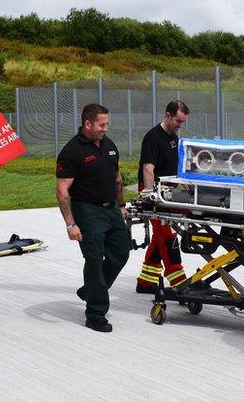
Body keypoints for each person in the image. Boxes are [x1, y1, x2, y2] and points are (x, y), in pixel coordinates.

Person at [56, 103, 131, 333]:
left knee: (121, 252)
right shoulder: (72, 151)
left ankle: (90, 290)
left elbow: (117, 178)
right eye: (102, 124)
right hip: (87, 211)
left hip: (111, 210)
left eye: (107, 124)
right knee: (95, 259)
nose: (105, 128)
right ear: (87, 124)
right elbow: (62, 190)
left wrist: (121, 206)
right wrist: (71, 224)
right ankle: (96, 313)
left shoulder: (109, 145)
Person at [135, 100, 190, 293]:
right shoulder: (153, 137)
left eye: (182, 122)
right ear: (167, 115)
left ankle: (145, 282)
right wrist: (149, 196)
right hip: (155, 193)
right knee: (167, 237)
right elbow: (148, 168)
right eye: (178, 120)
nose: (179, 125)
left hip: (169, 192)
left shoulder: (173, 138)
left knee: (160, 236)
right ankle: (180, 282)